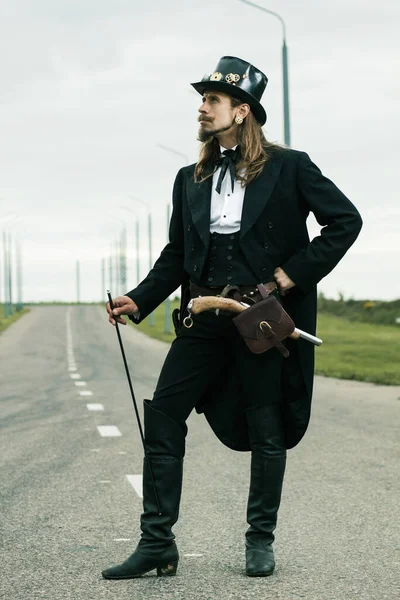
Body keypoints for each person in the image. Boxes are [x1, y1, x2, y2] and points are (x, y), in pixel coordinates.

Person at [102, 56, 362, 580]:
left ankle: (259, 540)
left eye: (212, 100)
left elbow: (345, 221)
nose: (202, 107)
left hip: (261, 321)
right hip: (202, 317)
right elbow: (177, 254)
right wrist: (139, 298)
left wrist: (289, 277)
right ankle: (157, 542)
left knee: (266, 428)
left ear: (242, 111)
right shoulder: (189, 177)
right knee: (165, 414)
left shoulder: (291, 167)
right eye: (202, 100)